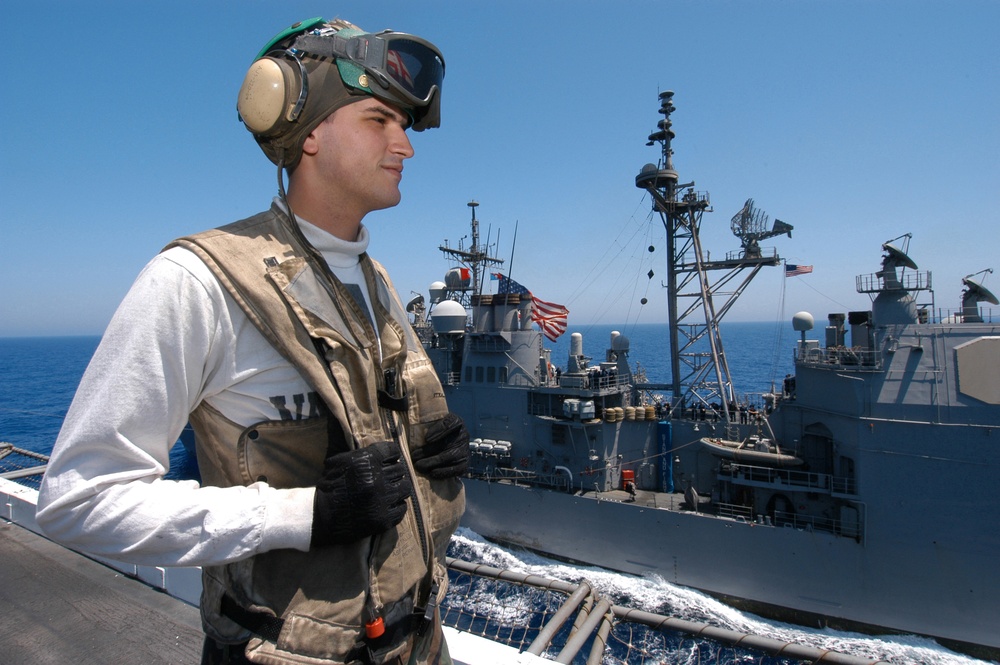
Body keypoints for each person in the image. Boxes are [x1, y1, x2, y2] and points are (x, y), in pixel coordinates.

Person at [36, 16, 468, 665]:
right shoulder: (197, 281)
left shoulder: (376, 285)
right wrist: (306, 514)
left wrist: (424, 450)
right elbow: (78, 500)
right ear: (312, 130)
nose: (404, 145)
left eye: (404, 125)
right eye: (380, 121)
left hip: (415, 641)